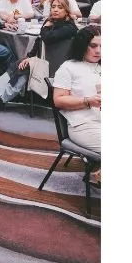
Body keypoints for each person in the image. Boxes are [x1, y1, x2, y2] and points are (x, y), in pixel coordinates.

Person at [52, 26, 101, 184]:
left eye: (103, 46)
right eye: (93, 46)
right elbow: (58, 100)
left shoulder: (101, 67)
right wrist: (87, 101)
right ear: (82, 45)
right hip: (83, 125)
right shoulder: (69, 67)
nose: (99, 51)